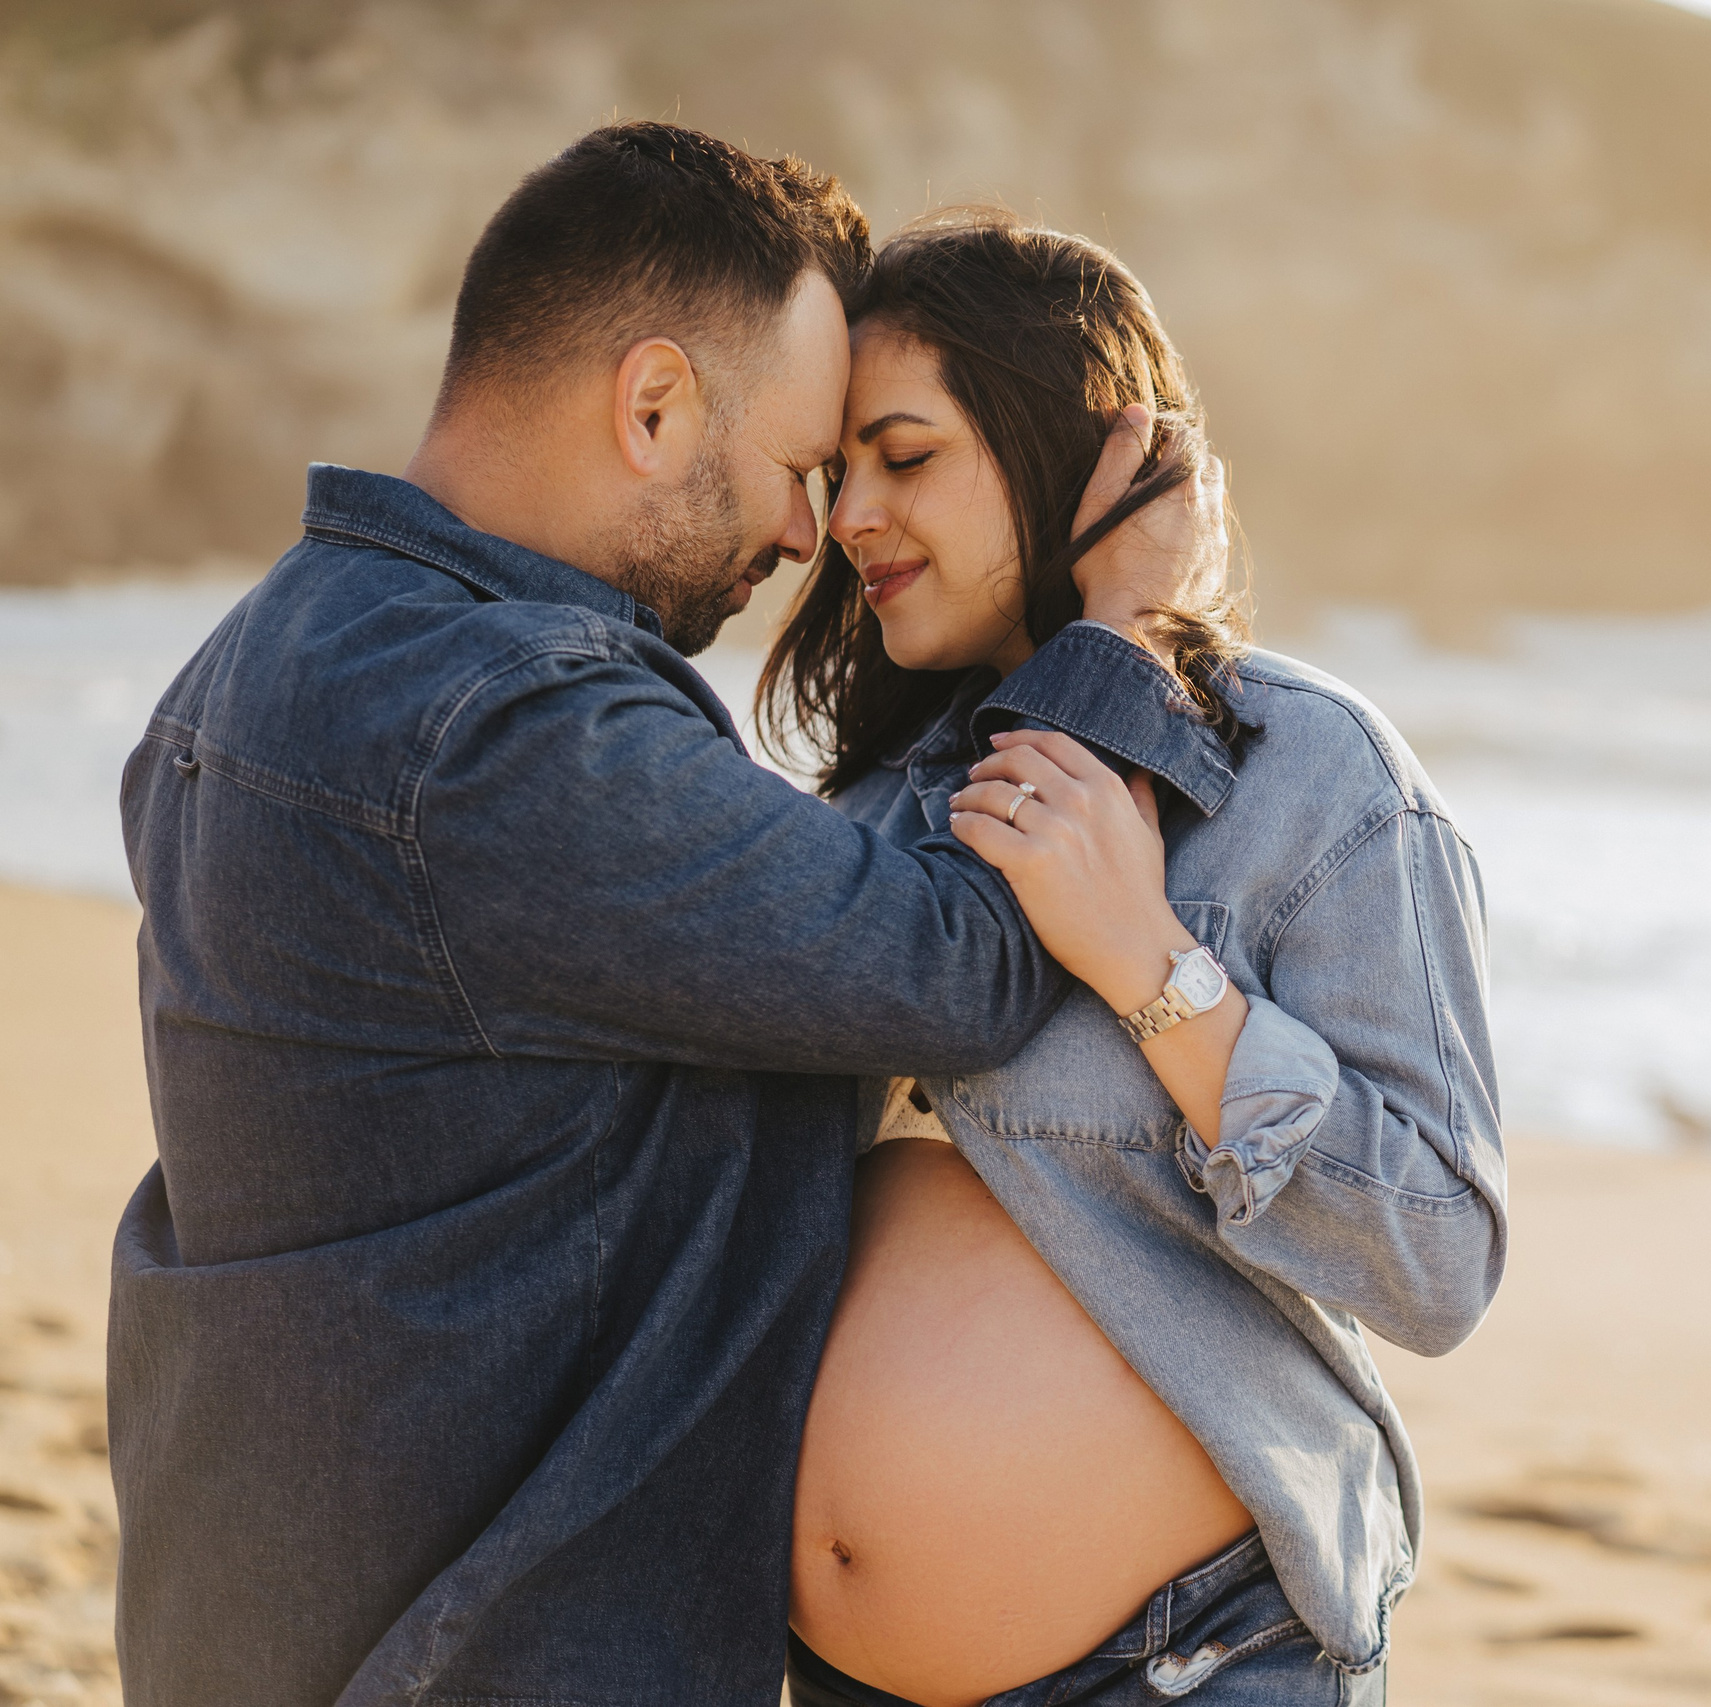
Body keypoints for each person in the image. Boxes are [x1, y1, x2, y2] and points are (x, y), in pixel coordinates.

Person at [110, 125, 1222, 1707]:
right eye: (797, 471)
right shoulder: (504, 727)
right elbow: (956, 968)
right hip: (482, 1655)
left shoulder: (253, 662)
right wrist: (1121, 629)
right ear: (651, 406)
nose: (802, 538)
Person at [761, 210, 1508, 1707]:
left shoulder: (1310, 774)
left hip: (1190, 1664)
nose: (851, 518)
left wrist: (1158, 972)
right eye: (841, 473)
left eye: (906, 460)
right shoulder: (869, 804)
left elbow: (1440, 1256)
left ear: (1073, 461)